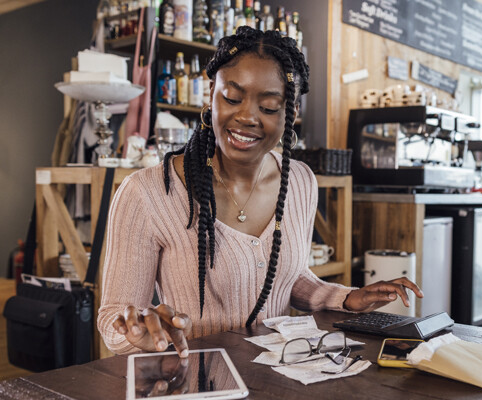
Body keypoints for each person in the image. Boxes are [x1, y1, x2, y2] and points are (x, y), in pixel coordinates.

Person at [97, 27, 422, 357]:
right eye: (232, 98)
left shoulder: (299, 182)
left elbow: (286, 278)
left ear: (288, 114)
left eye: (268, 107)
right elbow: (113, 320)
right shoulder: (148, 194)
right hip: (196, 381)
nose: (247, 116)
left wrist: (348, 298)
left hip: (277, 378)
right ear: (211, 94)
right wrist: (139, 331)